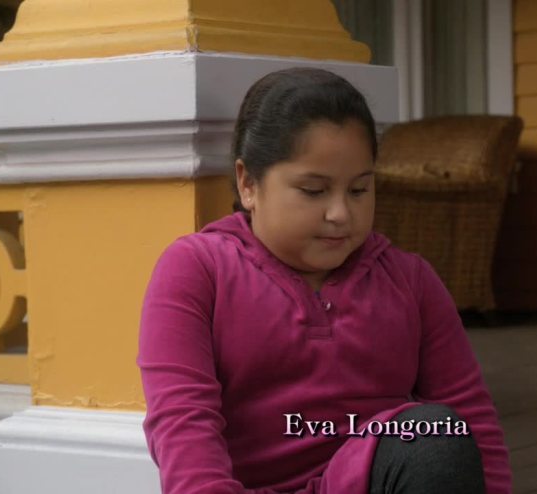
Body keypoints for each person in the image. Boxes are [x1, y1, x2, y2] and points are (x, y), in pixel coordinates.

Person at [137, 67, 512, 494]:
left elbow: (472, 418)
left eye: (359, 190)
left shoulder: (411, 281)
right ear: (248, 183)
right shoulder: (197, 270)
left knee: (435, 436)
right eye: (314, 191)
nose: (340, 214)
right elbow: (183, 425)